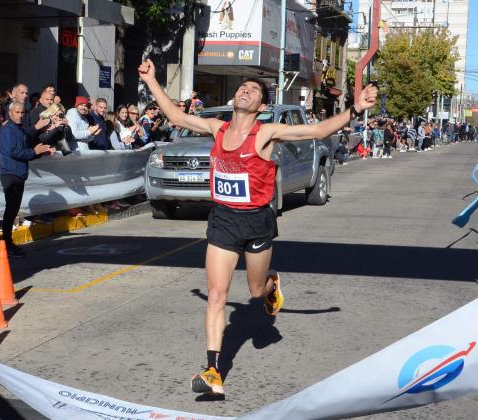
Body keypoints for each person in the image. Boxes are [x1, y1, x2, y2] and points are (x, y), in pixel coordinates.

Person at [138, 58, 377, 398]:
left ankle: (270, 284)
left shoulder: (265, 133)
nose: (245, 91)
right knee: (217, 297)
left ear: (261, 105)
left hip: (256, 220)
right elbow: (176, 117)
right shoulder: (216, 129)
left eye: (253, 90)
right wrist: (151, 81)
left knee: (253, 291)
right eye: (242, 88)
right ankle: (213, 371)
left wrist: (354, 108)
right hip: (223, 219)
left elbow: (318, 131)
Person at [0, 102, 55, 258]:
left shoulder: (19, 129)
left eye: (23, 112)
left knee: (13, 210)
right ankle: (6, 244)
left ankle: (8, 243)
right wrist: (34, 151)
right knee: (10, 210)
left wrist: (41, 152)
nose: (20, 115)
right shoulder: (7, 129)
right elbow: (14, 151)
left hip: (20, 173)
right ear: (10, 113)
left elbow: (26, 151)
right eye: (17, 112)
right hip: (10, 174)